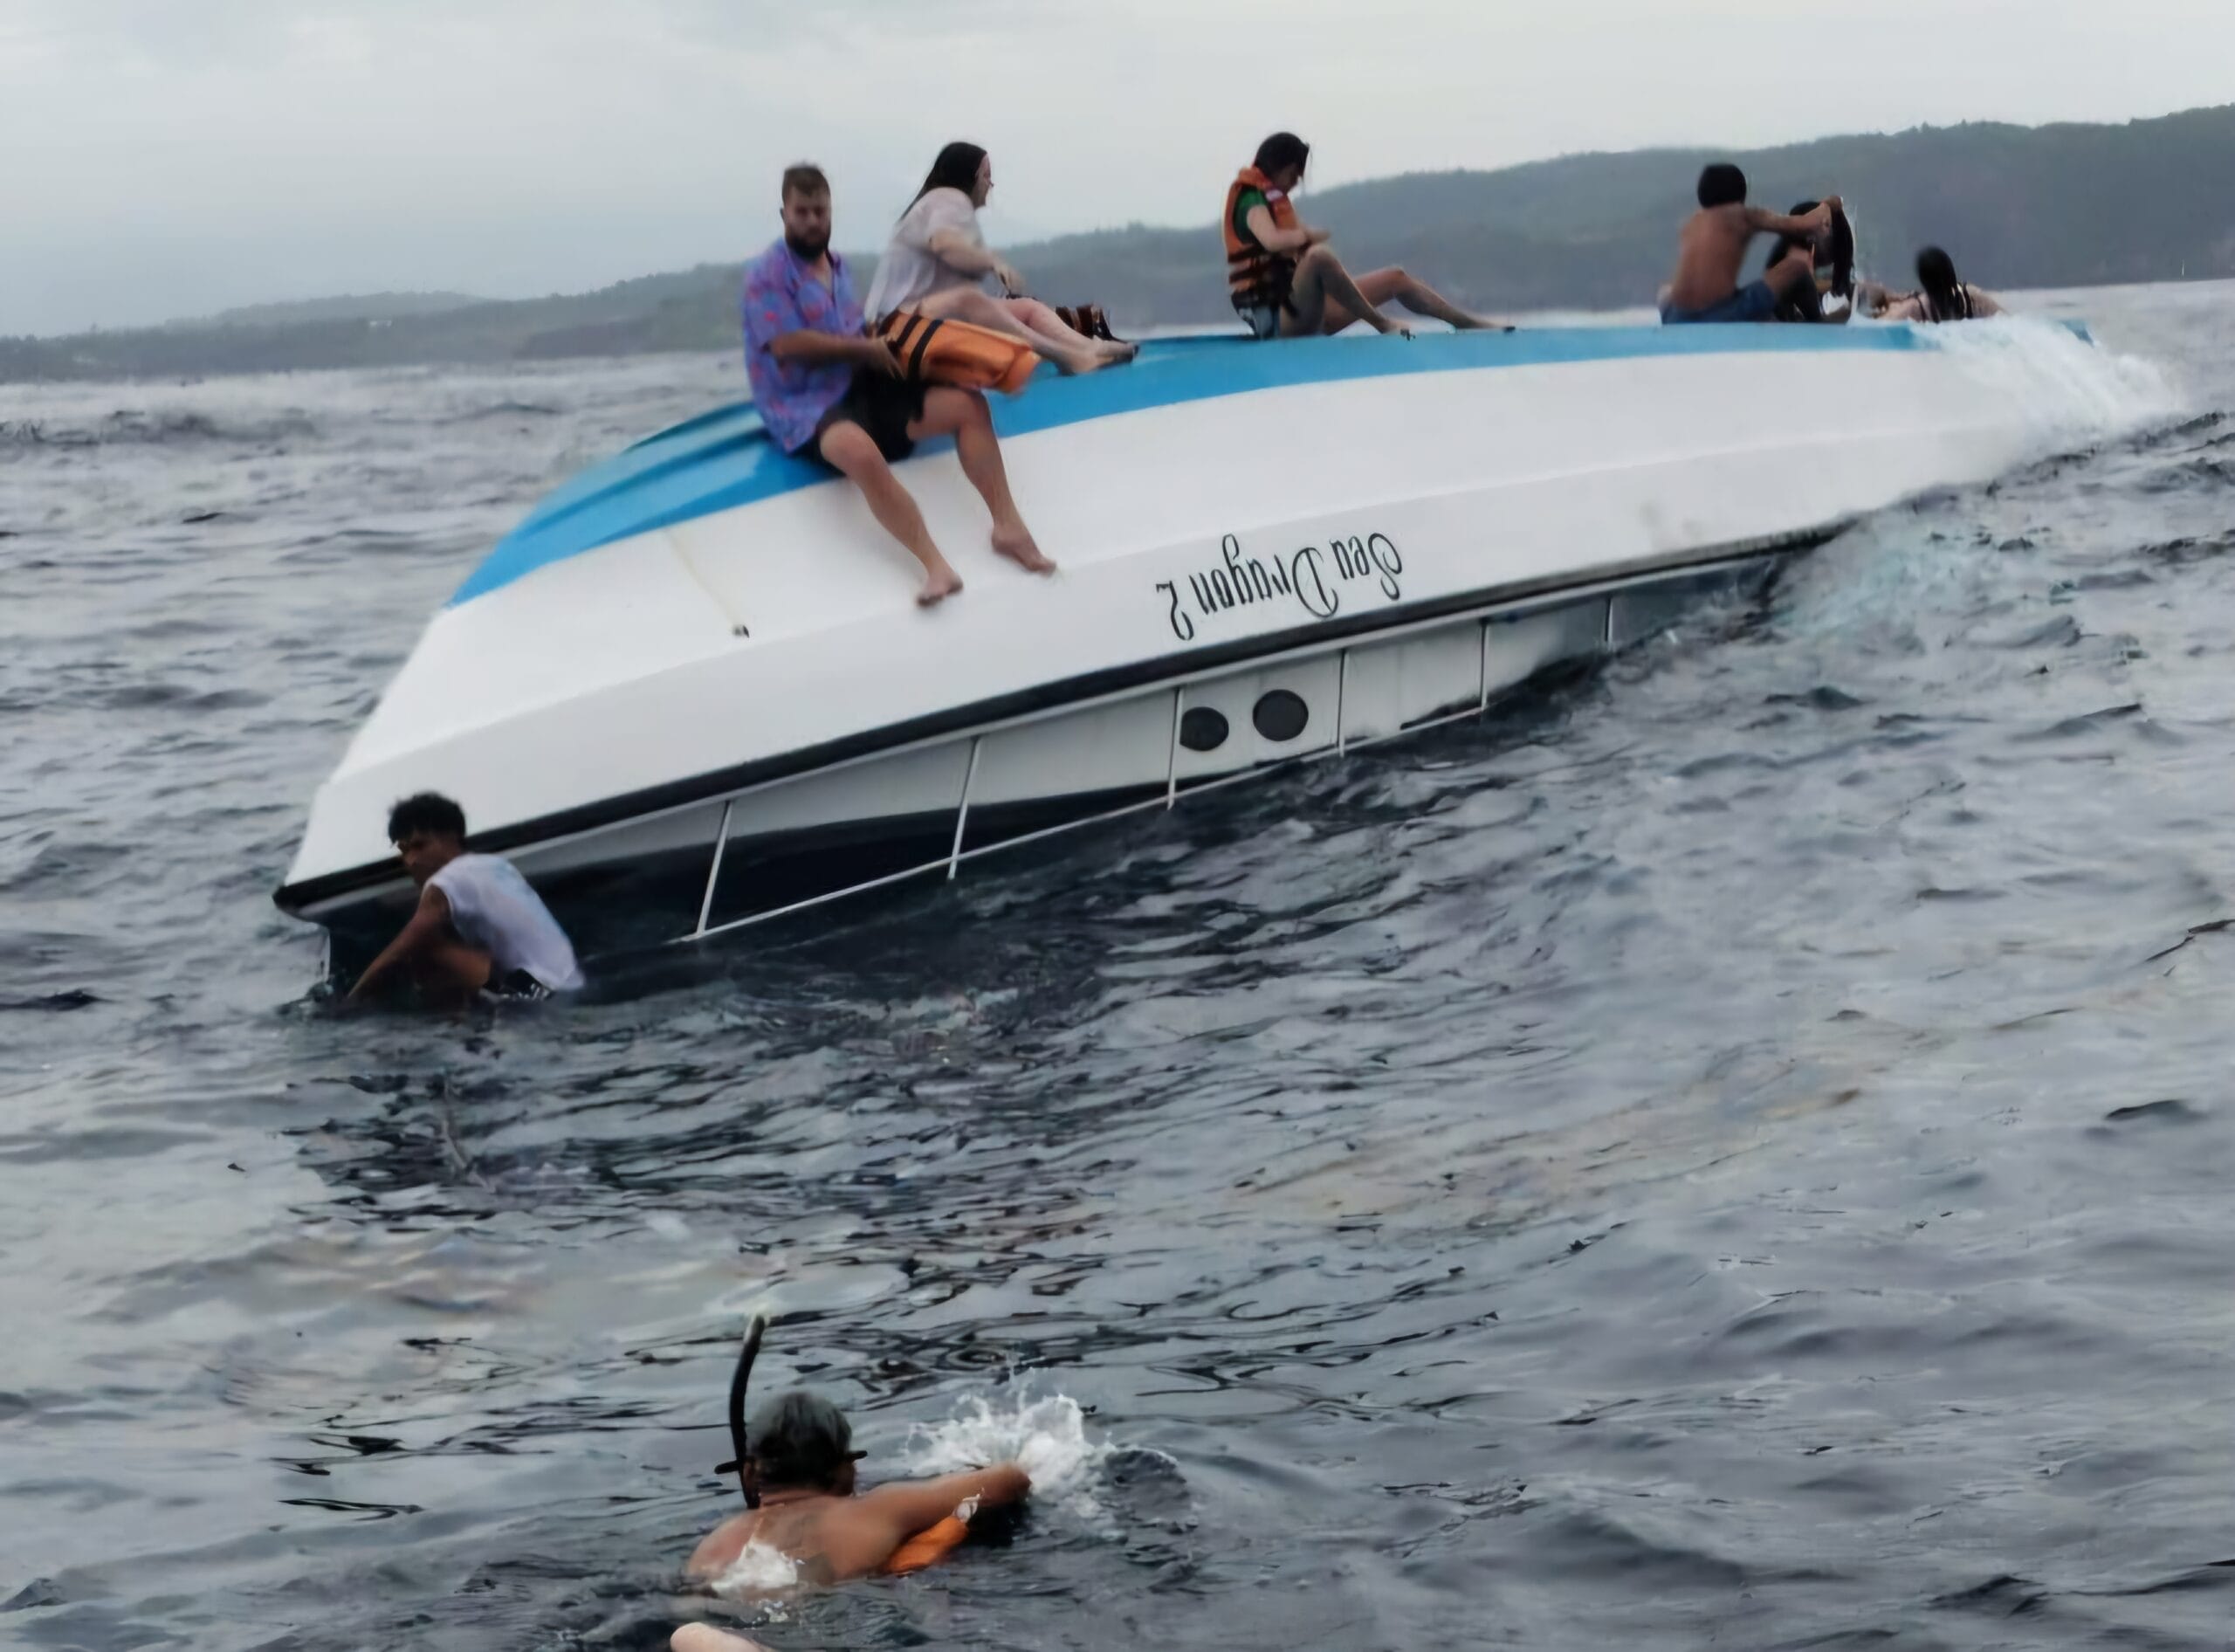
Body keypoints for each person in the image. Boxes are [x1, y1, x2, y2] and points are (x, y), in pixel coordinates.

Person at [743, 163, 1051, 607]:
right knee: (858, 451)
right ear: (784, 214)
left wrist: (898, 347)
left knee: (967, 406)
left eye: (820, 212)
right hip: (801, 405)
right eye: (802, 212)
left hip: (856, 382)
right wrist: (864, 352)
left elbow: (852, 328)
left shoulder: (837, 265)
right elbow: (788, 345)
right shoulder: (766, 276)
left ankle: (1009, 527)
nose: (812, 221)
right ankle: (935, 566)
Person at [684, 1389, 1032, 1591]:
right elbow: (1009, 1480)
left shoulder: (713, 1548)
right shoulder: (880, 1509)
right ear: (846, 1469)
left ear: (748, 1475)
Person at [863, 141, 1133, 376]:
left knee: (1027, 308)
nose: (991, 184)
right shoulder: (947, 200)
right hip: (891, 330)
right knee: (970, 299)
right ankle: (1068, 357)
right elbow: (944, 244)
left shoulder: (941, 209)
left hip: (921, 316)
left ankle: (1089, 348)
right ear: (967, 179)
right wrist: (991, 261)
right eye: (986, 175)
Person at [1224, 132, 1506, 339]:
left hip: (1306, 310)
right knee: (1319, 257)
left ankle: (1466, 323)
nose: (1295, 184)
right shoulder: (1250, 201)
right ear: (1277, 166)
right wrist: (1305, 235)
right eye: (1293, 175)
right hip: (1278, 322)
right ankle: (1382, 325)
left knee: (1396, 277)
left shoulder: (1272, 198)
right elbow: (1272, 240)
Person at [345, 793, 585, 1007]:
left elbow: (401, 949)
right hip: (571, 986)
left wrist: (349, 1002)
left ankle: (447, 1019)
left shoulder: (447, 881)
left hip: (534, 997)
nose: (411, 861)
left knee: (426, 945)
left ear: (451, 836)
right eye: (404, 851)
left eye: (419, 845)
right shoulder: (497, 865)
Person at [1660, 164, 1840, 325]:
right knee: (1796, 267)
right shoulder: (1742, 215)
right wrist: (1829, 204)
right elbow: (1808, 224)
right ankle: (1818, 322)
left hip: (1675, 317)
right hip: (1720, 316)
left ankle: (1776, 317)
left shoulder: (1691, 224)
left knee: (1665, 293)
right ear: (1741, 193)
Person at [1864, 246, 2005, 323]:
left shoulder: (1914, 308)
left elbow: (1880, 325)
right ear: (1951, 272)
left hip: (1914, 308)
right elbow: (2009, 321)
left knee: (1888, 302)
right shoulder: (1973, 298)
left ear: (1924, 281)